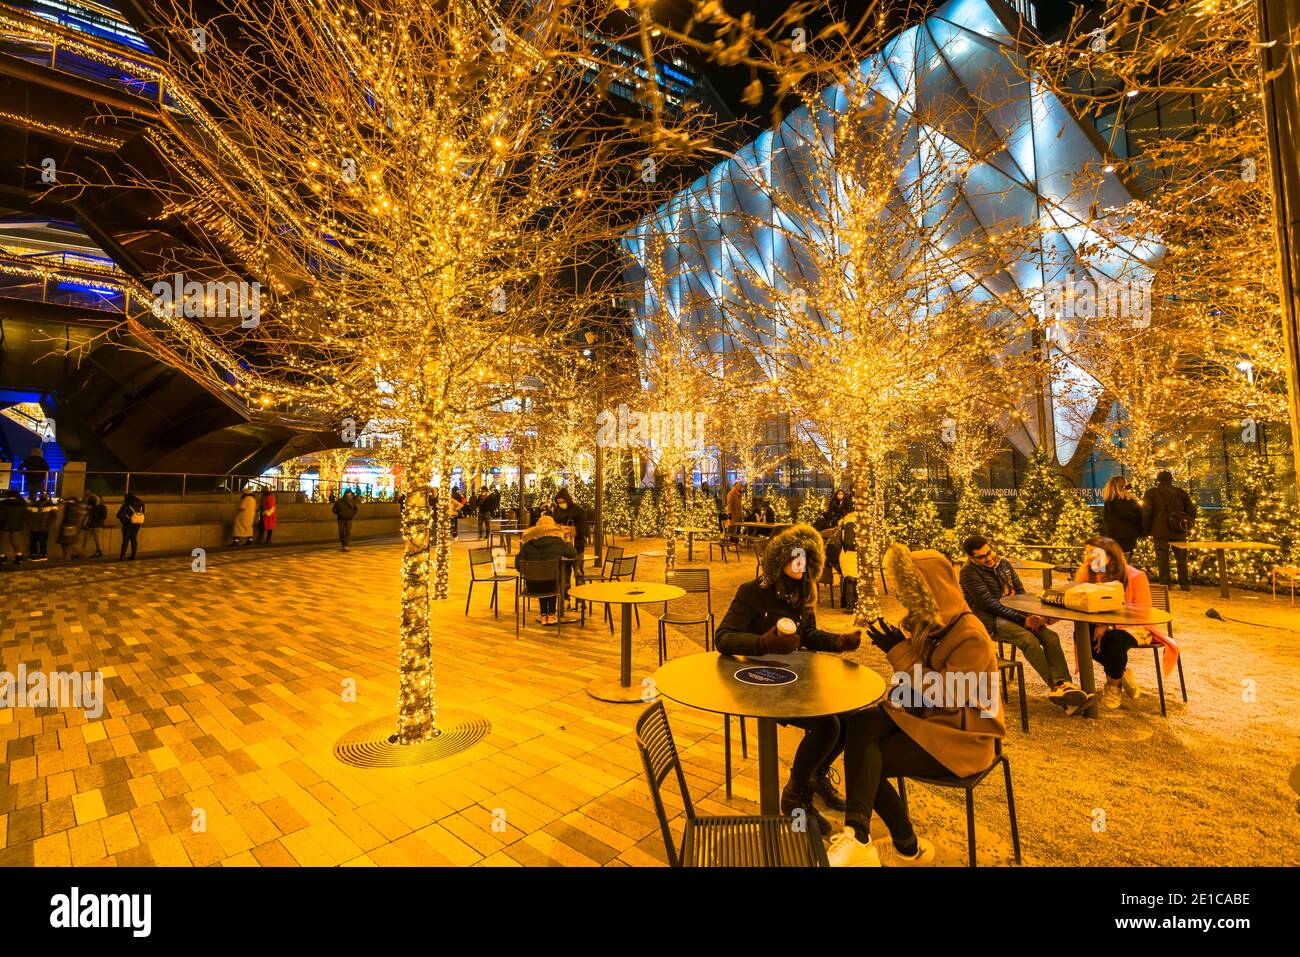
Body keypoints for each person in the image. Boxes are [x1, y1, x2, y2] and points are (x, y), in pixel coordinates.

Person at [827, 545, 1006, 867]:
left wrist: (897, 650)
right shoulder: (931, 625)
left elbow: (945, 695)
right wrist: (899, 687)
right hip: (932, 719)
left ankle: (895, 845)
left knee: (870, 762)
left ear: (931, 591)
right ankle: (871, 839)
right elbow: (921, 686)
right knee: (861, 723)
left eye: (910, 592)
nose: (904, 598)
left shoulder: (970, 636)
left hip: (964, 737)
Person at [714, 524, 862, 833]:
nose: (800, 565)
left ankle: (816, 776)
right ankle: (795, 796)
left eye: (805, 559)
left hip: (794, 678)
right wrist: (763, 643)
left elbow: (806, 633)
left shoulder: (804, 592)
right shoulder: (752, 592)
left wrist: (837, 642)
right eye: (794, 558)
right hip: (757, 681)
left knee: (850, 716)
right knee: (828, 724)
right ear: (777, 560)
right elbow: (723, 638)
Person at [959, 535, 1091, 713]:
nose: (989, 558)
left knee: (1051, 637)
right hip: (991, 619)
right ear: (971, 558)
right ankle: (1058, 689)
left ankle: (1064, 686)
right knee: (1028, 639)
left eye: (989, 552)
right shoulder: (968, 572)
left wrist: (1032, 615)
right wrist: (1023, 620)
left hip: (1016, 612)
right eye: (982, 557)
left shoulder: (1002, 563)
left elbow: (1021, 592)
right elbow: (988, 603)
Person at [1075, 536, 1178, 710]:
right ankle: (1121, 673)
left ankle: (1113, 686)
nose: (1090, 558)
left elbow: (1141, 614)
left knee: (1113, 640)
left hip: (1134, 627)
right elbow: (1076, 600)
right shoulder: (1088, 573)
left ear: (1111, 556)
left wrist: (1109, 626)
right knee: (1081, 634)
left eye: (1094, 554)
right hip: (1099, 623)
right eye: (1087, 554)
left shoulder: (1135, 576)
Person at [514, 514, 577, 625]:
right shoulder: (558, 541)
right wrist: (567, 540)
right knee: (551, 579)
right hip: (552, 585)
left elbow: (518, 564)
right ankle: (551, 615)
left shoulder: (528, 543)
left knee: (540, 577)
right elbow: (572, 554)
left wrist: (529, 570)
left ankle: (544, 615)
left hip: (532, 586)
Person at [1142, 470, 1197, 590]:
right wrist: (1186, 523)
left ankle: (1165, 584)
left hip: (1159, 530)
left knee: (1162, 558)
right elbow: (1192, 511)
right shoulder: (1181, 493)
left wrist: (1146, 530)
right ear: (1171, 480)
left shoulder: (1151, 493)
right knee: (1181, 558)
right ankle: (1184, 584)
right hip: (1178, 529)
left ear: (1158, 480)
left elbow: (1146, 513)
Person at [1102, 475, 1143, 557]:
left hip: (1114, 533)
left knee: (1116, 557)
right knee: (1125, 557)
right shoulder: (1124, 498)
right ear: (1122, 485)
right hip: (1127, 533)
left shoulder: (1109, 498)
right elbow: (1129, 514)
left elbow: (1106, 517)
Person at [549, 487, 588, 555]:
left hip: (576, 544)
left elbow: (582, 529)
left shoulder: (578, 511)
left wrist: (569, 530)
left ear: (567, 500)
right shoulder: (557, 510)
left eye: (563, 502)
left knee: (576, 563)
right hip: (560, 544)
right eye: (559, 503)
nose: (561, 504)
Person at [27, 492, 59, 562]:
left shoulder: (51, 505)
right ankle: (33, 556)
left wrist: (48, 525)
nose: (43, 495)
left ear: (47, 495)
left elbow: (53, 517)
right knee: (33, 542)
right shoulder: (34, 505)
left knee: (42, 542)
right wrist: (30, 524)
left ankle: (43, 555)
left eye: (45, 494)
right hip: (34, 527)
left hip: (44, 527)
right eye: (42, 494)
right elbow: (28, 516)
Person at [0, 489, 29, 565]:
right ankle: (19, 557)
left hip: (4, 525)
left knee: (2, 542)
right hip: (17, 525)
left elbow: (1, 516)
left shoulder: (3, 504)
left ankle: (2, 558)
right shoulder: (22, 503)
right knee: (15, 540)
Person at [58, 495, 87, 561]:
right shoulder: (73, 507)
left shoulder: (71, 508)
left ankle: (68, 557)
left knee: (66, 543)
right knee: (67, 543)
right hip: (70, 526)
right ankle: (68, 557)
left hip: (68, 526)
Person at [117, 493, 145, 560]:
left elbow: (119, 515)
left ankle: (123, 556)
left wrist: (125, 520)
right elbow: (143, 514)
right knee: (134, 539)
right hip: (137, 524)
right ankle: (134, 555)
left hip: (127, 525)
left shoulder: (126, 505)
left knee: (125, 540)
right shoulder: (141, 504)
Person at [81, 493, 107, 557]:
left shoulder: (101, 507)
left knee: (97, 539)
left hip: (97, 525)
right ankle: (83, 551)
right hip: (92, 525)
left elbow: (104, 516)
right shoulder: (93, 506)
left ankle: (99, 551)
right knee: (86, 539)